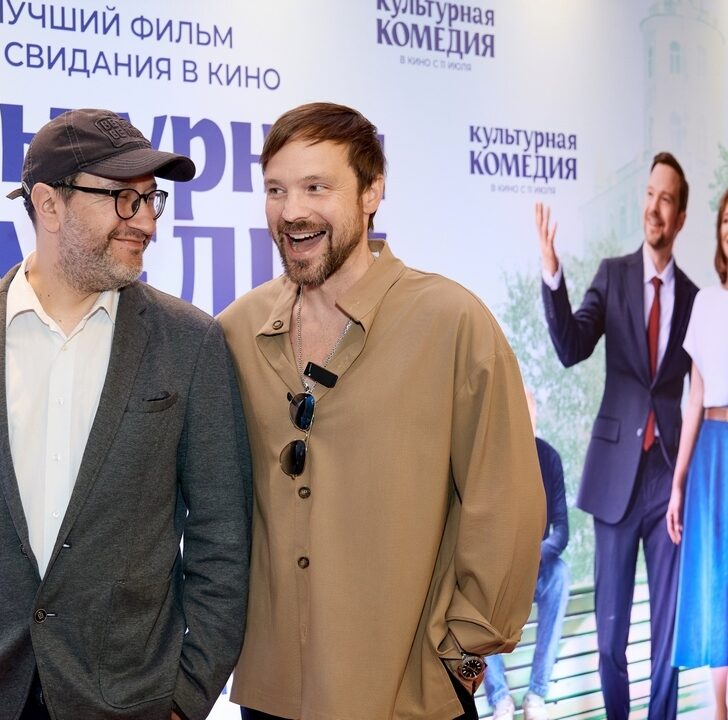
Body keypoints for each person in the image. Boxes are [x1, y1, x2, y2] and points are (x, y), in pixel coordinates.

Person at [0, 108, 252, 720]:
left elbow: (221, 541)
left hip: (127, 702)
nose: (147, 221)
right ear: (49, 204)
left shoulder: (190, 342)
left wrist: (189, 693)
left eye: (151, 200)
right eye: (124, 199)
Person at [217, 101, 544, 720]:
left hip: (410, 699)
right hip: (272, 697)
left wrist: (461, 660)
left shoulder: (452, 323)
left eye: (317, 187)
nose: (292, 211)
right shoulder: (235, 331)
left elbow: (507, 508)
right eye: (276, 190)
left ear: (372, 192)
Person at [537, 152, 698, 720]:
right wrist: (552, 274)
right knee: (610, 638)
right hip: (615, 479)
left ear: (680, 217)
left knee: (667, 638)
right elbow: (570, 347)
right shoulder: (612, 275)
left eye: (666, 199)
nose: (654, 207)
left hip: (670, 480)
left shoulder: (696, 298)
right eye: (650, 194)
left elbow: (705, 388)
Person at [666, 187, 728, 720]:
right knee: (715, 577)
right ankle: (719, 709)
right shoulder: (706, 302)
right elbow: (695, 397)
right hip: (710, 450)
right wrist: (679, 481)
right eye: (726, 221)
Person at [484, 389, 570, 720]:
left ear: (534, 419)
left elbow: (561, 530)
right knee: (469, 584)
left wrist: (533, 555)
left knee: (560, 574)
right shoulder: (488, 462)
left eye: (526, 416)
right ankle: (500, 699)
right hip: (499, 573)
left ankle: (536, 694)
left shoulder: (549, 459)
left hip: (537, 565)